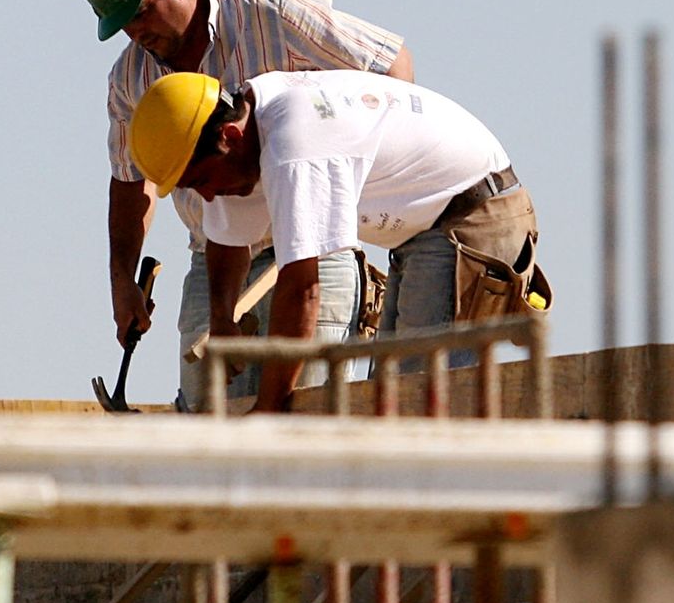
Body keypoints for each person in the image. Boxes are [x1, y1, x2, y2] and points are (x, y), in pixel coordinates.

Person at [77, 0, 414, 410]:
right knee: (210, 439)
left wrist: (346, 183)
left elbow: (391, 67)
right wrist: (122, 281)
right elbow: (131, 183)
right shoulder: (129, 79)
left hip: (310, 255)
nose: (134, 33)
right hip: (213, 263)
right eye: (121, 23)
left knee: (304, 422)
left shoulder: (272, 13)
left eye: (139, 13)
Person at [127, 69, 546, 412]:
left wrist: (269, 410)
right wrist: (222, 322)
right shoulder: (242, 134)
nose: (205, 196)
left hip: (473, 217)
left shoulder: (294, 145)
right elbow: (225, 240)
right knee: (390, 403)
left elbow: (304, 289)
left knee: (418, 407)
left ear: (230, 139)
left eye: (200, 181)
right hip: (427, 231)